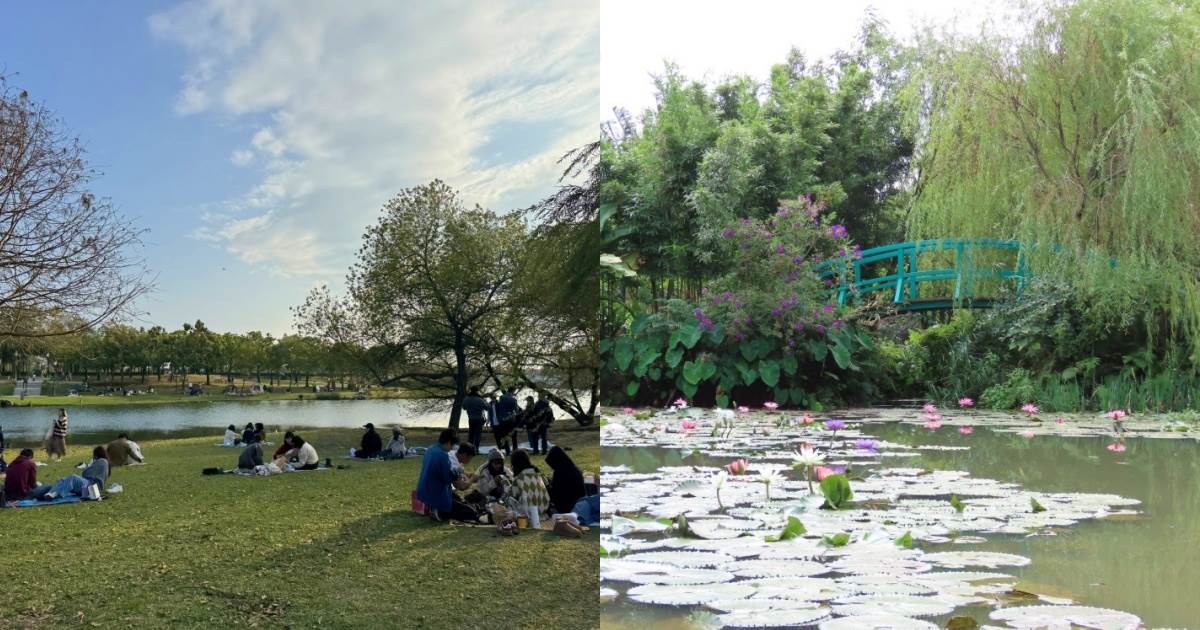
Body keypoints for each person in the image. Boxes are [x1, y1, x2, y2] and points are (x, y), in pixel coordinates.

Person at [416, 429, 478, 522]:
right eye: (452, 445)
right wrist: (459, 472)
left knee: (459, 501)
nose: (452, 448)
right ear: (449, 443)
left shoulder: (430, 449)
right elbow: (448, 478)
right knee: (471, 513)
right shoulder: (442, 456)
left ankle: (434, 508)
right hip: (436, 495)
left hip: (425, 492)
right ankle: (439, 512)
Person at [509, 449, 549, 522]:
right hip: (544, 512)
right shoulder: (539, 474)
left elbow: (512, 497)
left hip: (528, 515)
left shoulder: (518, 479)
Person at [544, 446, 585, 515]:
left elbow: (556, 494)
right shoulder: (574, 469)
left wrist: (546, 486)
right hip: (580, 504)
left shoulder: (560, 473)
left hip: (567, 507)